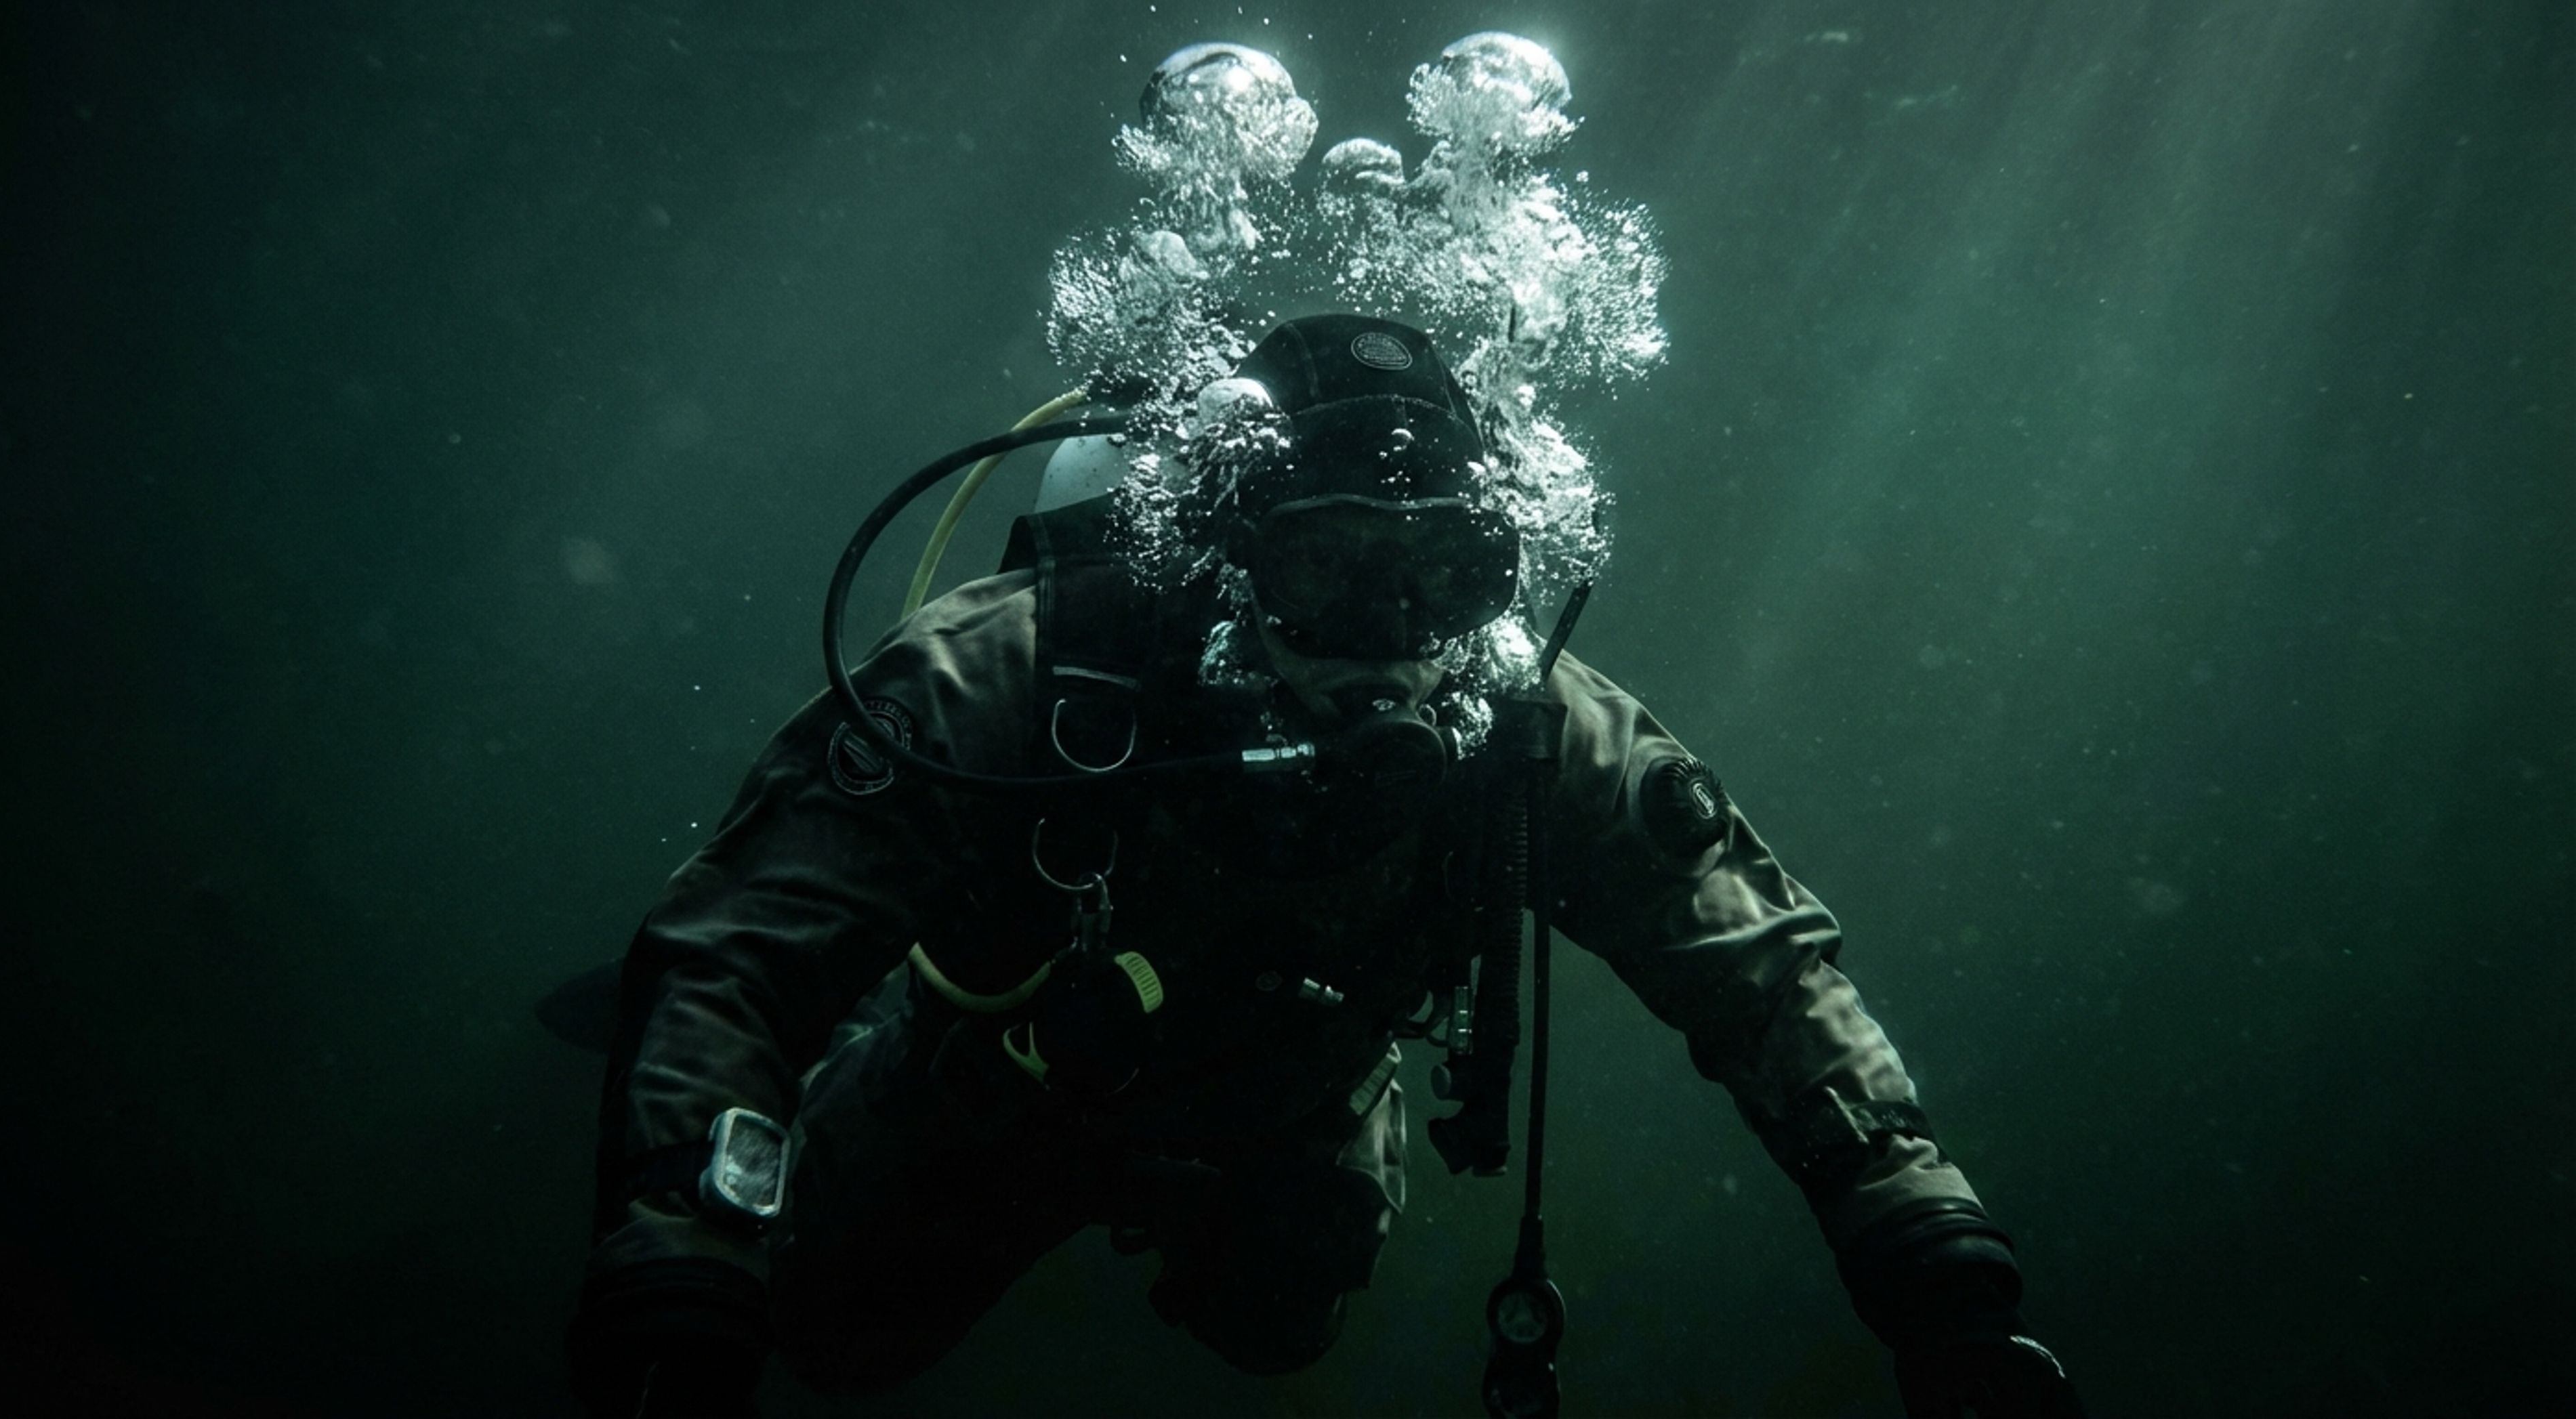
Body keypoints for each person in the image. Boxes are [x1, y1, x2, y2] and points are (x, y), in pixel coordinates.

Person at [565, 314, 2087, 1418]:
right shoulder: (1018, 670)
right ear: (1234, 555)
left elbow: (1756, 967)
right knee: (831, 1341)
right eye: (1332, 569)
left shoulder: (1532, 727)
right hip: (992, 1074)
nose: (1395, 636)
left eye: (1450, 574)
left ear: (1504, 569)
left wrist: (1925, 1253)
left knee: (1279, 1332)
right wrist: (680, 1237)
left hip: (1285, 1111)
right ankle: (849, 1072)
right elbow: (744, 940)